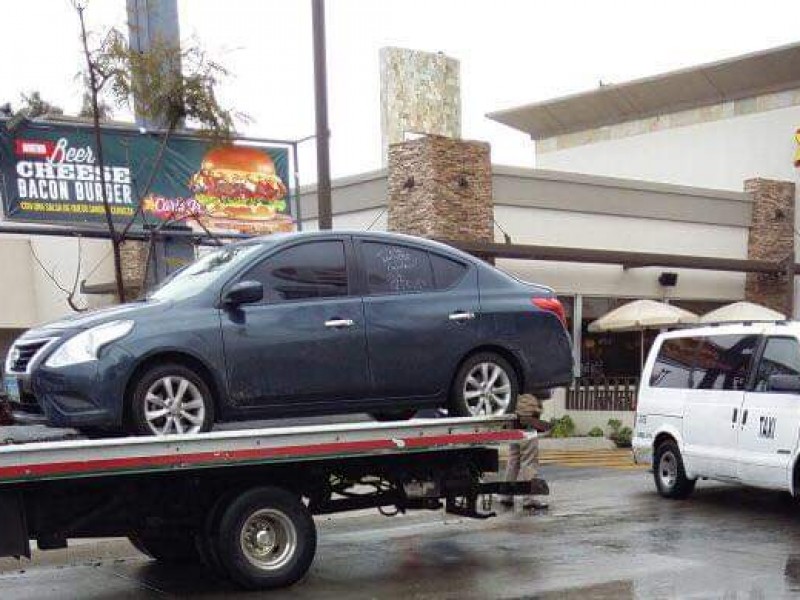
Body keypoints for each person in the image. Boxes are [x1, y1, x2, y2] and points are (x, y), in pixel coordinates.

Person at [499, 393, 550, 511]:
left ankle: (506, 495)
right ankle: (529, 499)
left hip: (515, 416)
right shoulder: (534, 379)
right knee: (529, 461)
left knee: (514, 459)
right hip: (528, 417)